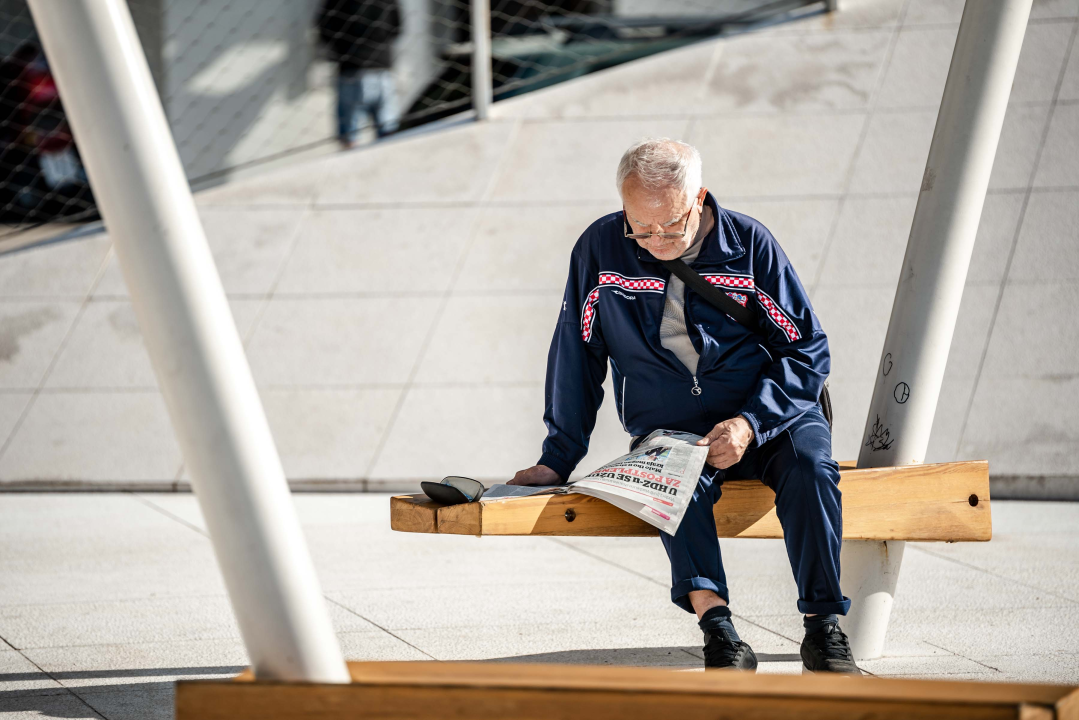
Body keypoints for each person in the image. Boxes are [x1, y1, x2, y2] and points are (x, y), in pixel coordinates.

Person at [509, 138, 860, 674]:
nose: (654, 242)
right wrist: (558, 456)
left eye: (670, 227)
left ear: (698, 200)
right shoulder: (601, 248)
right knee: (672, 482)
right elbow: (577, 353)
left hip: (769, 414)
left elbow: (807, 349)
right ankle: (718, 630)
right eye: (640, 228)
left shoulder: (749, 244)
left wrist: (750, 422)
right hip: (671, 425)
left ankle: (824, 626)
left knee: (812, 469)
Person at [317, 0, 401, 149]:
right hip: (382, 68)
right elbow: (397, 27)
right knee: (388, 132)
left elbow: (325, 29)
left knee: (350, 137)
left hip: (352, 68)